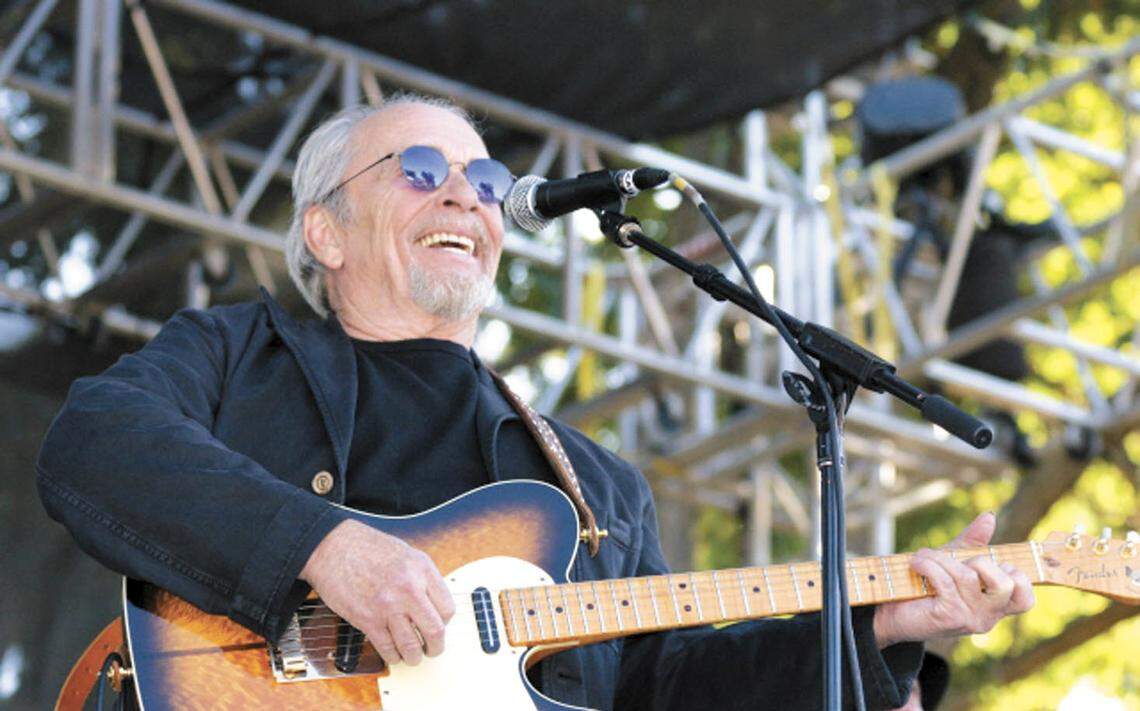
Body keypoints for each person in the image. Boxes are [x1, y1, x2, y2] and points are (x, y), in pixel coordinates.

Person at [36, 95, 1035, 710]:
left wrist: (879, 629)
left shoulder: (594, 485)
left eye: (485, 180)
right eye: (420, 173)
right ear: (325, 234)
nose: (467, 198)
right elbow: (95, 443)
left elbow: (669, 693)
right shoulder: (231, 354)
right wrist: (324, 548)